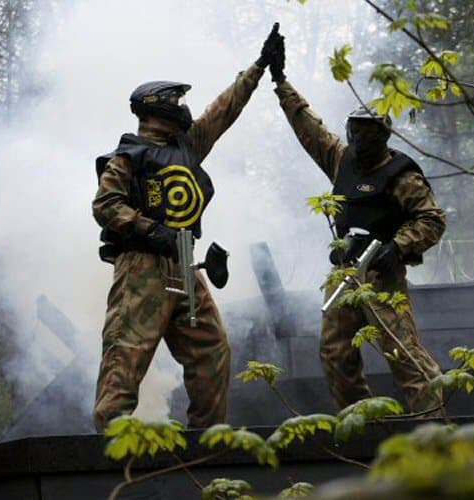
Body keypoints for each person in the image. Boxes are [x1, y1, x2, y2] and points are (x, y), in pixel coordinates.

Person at [91, 26, 283, 432]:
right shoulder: (128, 157)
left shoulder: (187, 146)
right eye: (177, 100)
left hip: (184, 265)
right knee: (126, 359)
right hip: (142, 268)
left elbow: (223, 110)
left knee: (212, 350)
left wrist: (260, 66)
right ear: (157, 107)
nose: (184, 106)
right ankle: (108, 454)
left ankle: (206, 443)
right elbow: (105, 205)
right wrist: (147, 229)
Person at [268, 33, 446, 413]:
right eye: (356, 130)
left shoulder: (402, 175)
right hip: (344, 271)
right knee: (335, 352)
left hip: (382, 274)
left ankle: (432, 423)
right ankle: (361, 422)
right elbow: (308, 127)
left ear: (384, 135)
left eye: (369, 132)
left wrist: (397, 247)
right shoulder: (341, 159)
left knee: (403, 352)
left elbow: (432, 219)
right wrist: (281, 82)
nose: (360, 139)